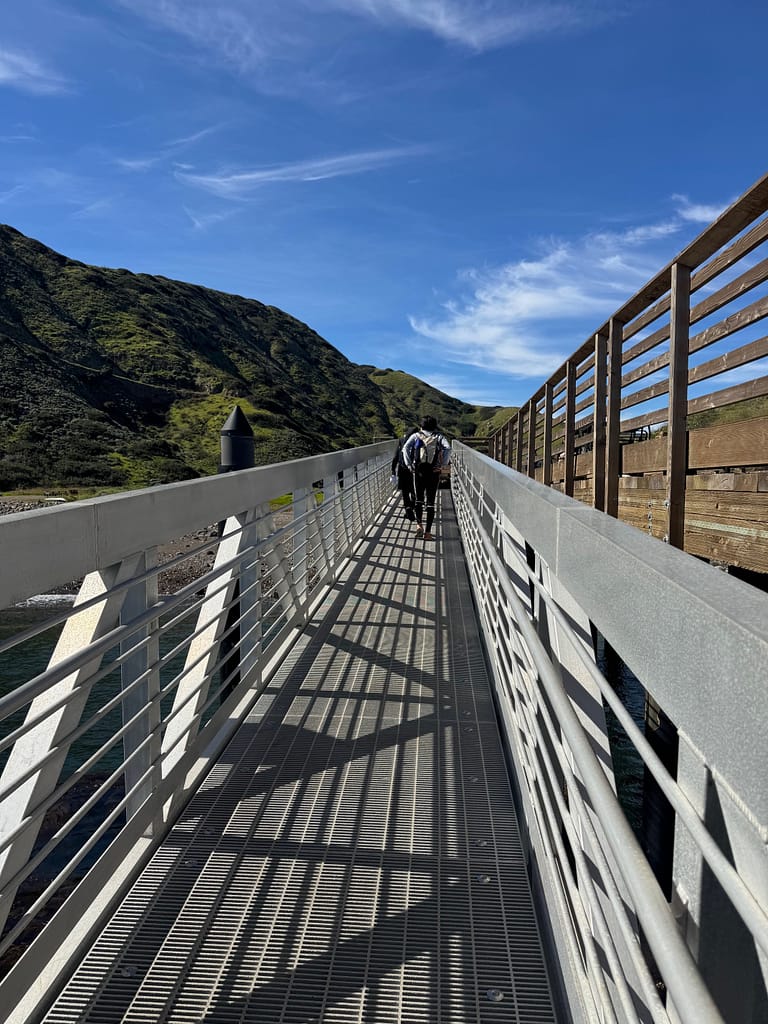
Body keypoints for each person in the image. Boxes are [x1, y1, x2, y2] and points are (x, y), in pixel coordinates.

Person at [403, 415, 451, 540]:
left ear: (421, 425)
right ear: (434, 426)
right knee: (430, 503)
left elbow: (405, 448)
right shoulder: (439, 437)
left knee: (419, 500)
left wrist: (409, 465)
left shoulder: (416, 436)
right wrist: (442, 465)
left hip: (419, 471)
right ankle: (428, 533)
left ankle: (419, 525)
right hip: (433, 471)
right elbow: (448, 448)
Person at [392, 426, 418, 520]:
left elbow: (396, 456)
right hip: (415, 470)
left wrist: (393, 471)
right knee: (414, 491)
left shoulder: (402, 440)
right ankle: (412, 506)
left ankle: (408, 509)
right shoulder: (418, 440)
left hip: (402, 470)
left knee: (405, 492)